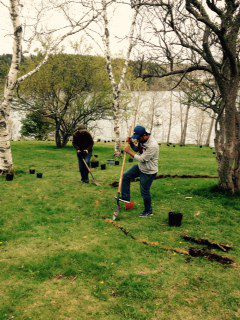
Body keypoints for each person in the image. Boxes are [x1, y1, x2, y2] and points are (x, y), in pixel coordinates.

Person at [122, 125, 159, 217]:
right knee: (126, 176)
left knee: (144, 192)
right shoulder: (143, 140)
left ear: (145, 135)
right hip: (141, 167)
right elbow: (138, 150)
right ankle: (126, 199)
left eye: (139, 138)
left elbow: (142, 158)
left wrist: (129, 152)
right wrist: (130, 143)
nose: (138, 140)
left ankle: (148, 211)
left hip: (149, 171)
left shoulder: (153, 145)